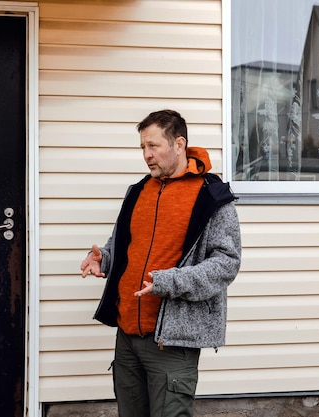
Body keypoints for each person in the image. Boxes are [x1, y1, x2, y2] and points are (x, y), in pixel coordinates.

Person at [80, 109, 242, 417]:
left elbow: (226, 263)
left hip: (172, 342)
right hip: (127, 336)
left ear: (179, 144)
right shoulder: (138, 191)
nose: (146, 155)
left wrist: (170, 282)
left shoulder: (211, 195)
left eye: (153, 146)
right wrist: (105, 257)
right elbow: (123, 246)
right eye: (143, 147)